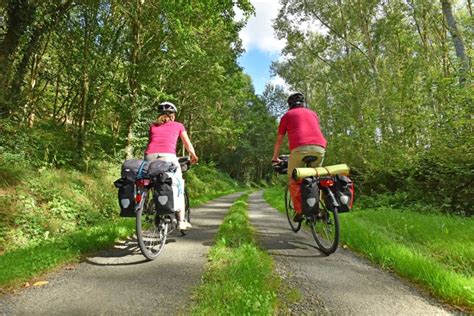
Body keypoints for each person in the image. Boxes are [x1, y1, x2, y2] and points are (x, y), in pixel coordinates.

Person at [271, 92, 327, 221]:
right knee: (315, 177)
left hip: (300, 149)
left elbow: (279, 140)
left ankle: (300, 211)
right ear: (303, 104)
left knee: (293, 178)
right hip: (320, 148)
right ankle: (317, 209)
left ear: (289, 105)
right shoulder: (313, 113)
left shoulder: (287, 116)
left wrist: (275, 157)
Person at [144, 101, 198, 230]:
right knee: (178, 184)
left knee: (151, 181)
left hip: (149, 157)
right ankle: (181, 221)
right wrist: (194, 156)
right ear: (173, 115)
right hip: (168, 157)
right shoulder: (178, 125)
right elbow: (188, 145)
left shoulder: (152, 126)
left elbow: (153, 142)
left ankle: (148, 205)